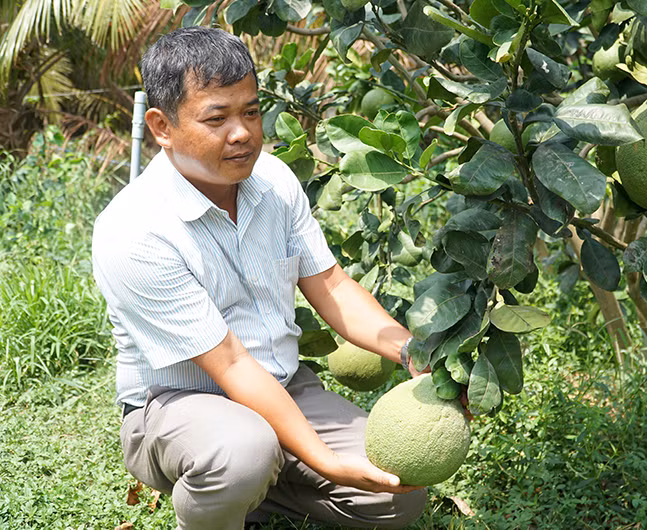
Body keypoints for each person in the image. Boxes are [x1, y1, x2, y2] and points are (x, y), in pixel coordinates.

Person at [91, 26, 427, 530]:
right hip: (179, 404)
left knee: (398, 497)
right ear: (161, 127)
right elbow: (230, 363)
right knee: (241, 451)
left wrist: (411, 350)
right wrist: (327, 461)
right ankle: (226, 494)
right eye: (217, 118)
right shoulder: (133, 231)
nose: (243, 132)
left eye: (250, 111)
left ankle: (258, 488)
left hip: (282, 386)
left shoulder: (272, 180)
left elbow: (330, 285)